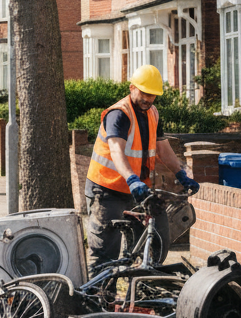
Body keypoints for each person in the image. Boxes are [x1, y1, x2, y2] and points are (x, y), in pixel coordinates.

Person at [84, 64, 200, 272]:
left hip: (136, 189)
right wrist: (131, 178)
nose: (148, 99)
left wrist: (181, 173)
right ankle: (98, 300)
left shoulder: (152, 113)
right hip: (107, 190)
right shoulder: (119, 114)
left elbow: (163, 150)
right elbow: (116, 151)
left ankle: (137, 293)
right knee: (105, 254)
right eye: (144, 93)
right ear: (132, 88)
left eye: (153, 95)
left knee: (155, 243)